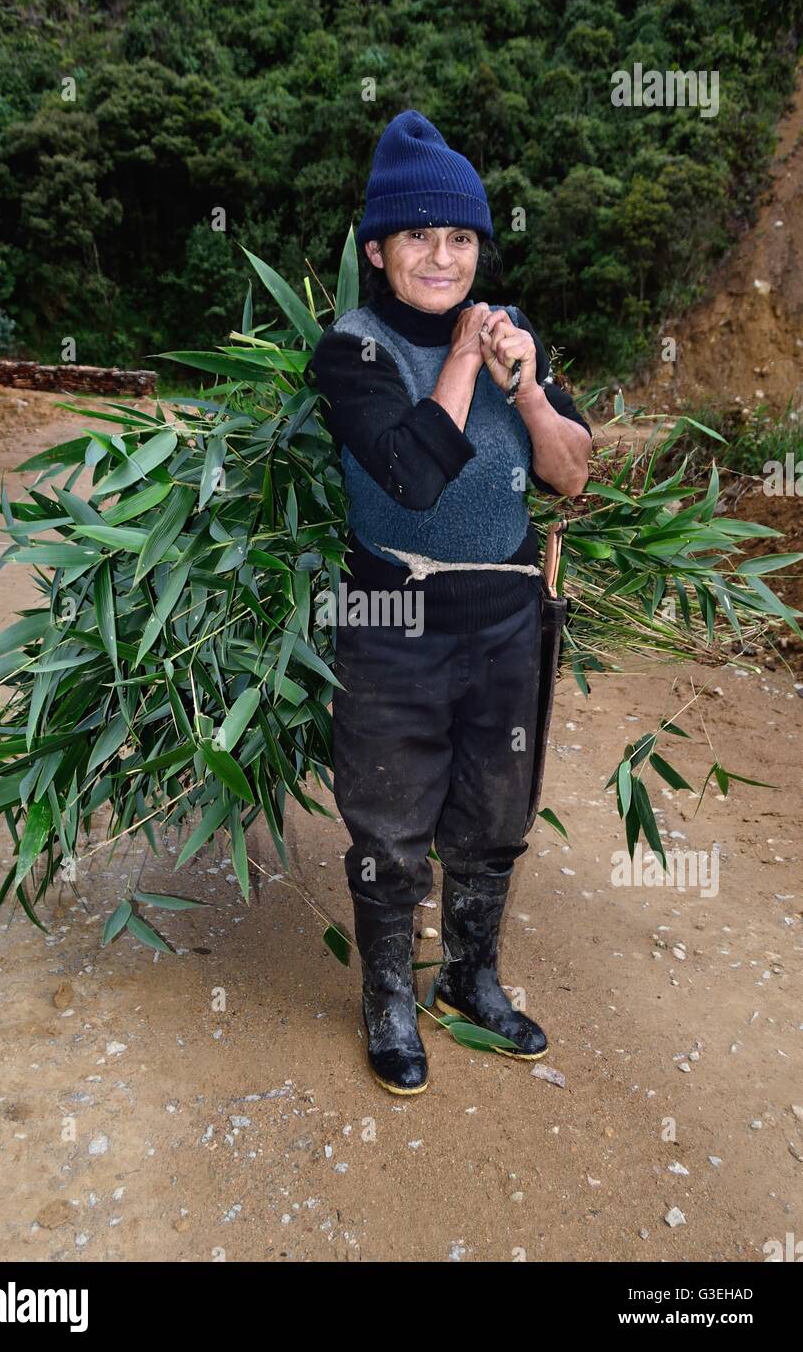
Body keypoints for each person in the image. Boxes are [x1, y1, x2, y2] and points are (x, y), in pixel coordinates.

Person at [306, 109, 592, 1095]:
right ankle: (387, 994)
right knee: (387, 823)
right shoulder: (351, 349)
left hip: (507, 616)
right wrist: (467, 356)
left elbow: (569, 477)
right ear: (376, 249)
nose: (442, 255)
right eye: (419, 236)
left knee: (492, 814)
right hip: (390, 620)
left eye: (460, 236)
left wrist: (526, 388)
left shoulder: (520, 340)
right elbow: (411, 475)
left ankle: (470, 975)